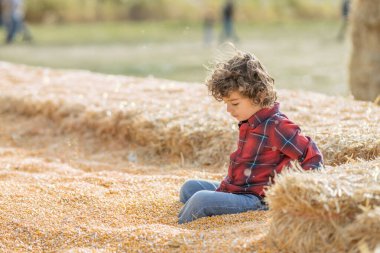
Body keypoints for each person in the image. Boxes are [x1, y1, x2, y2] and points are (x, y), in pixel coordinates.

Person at [178, 50, 323, 224]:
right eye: (226, 104)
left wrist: (304, 192)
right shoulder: (249, 121)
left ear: (259, 95)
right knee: (189, 188)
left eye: (234, 103)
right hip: (237, 188)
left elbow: (311, 154)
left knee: (200, 200)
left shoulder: (276, 125)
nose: (228, 110)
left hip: (256, 198)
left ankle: (175, 230)